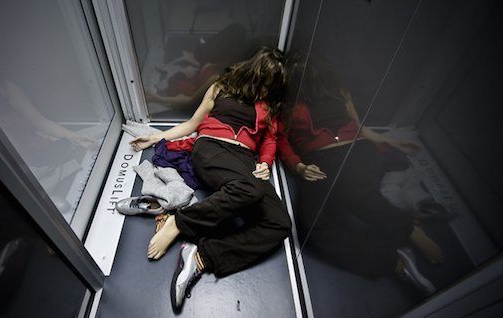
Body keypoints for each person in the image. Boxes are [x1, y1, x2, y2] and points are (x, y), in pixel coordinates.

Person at [130, 46, 291, 312]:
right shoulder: (221, 87)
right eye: (264, 82)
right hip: (212, 148)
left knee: (280, 223)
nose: (266, 90)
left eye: (272, 86)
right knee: (250, 189)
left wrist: (264, 163)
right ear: (253, 73)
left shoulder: (270, 106)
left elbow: (270, 140)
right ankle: (178, 223)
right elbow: (192, 124)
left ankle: (201, 256)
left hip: (244, 161)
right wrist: (155, 136)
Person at [277, 57, 443, 294]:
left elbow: (358, 128)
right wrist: (299, 166)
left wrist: (391, 141)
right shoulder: (309, 97)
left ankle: (406, 231)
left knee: (355, 202)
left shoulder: (324, 97)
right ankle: (393, 256)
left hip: (346, 155)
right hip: (338, 158)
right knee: (317, 224)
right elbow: (282, 139)